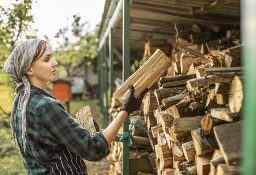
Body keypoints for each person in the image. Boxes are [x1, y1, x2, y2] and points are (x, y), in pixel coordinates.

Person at [4, 38, 148, 175]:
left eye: (52, 57)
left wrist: (76, 129)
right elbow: (93, 149)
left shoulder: (21, 100)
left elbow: (47, 142)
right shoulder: (46, 107)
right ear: (29, 69)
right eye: (47, 59)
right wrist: (126, 109)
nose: (55, 63)